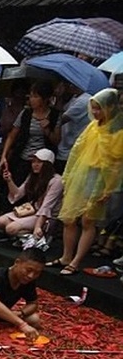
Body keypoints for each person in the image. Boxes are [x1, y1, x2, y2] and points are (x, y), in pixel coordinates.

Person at [54, 88, 123, 275]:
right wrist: (68, 175)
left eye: (99, 108)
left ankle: (75, 261)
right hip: (81, 173)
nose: (95, 112)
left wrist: (109, 188)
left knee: (87, 220)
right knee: (69, 218)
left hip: (100, 178)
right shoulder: (93, 126)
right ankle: (66, 256)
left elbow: (117, 163)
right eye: (93, 108)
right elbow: (77, 149)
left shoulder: (118, 131)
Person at [0, 148, 62, 245]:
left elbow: (47, 206)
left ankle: (36, 237)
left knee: (10, 228)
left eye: (39, 162)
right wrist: (9, 180)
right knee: (0, 221)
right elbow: (17, 194)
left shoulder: (56, 181)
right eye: (33, 162)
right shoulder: (33, 176)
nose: (35, 164)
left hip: (47, 216)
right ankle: (21, 235)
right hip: (33, 211)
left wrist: (38, 227)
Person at [0, 82, 59, 187]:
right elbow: (12, 135)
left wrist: (47, 130)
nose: (31, 99)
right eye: (31, 96)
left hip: (42, 162)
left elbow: (56, 140)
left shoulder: (55, 115)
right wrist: (4, 156)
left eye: (35, 97)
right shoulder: (26, 113)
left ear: (45, 99)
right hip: (23, 158)